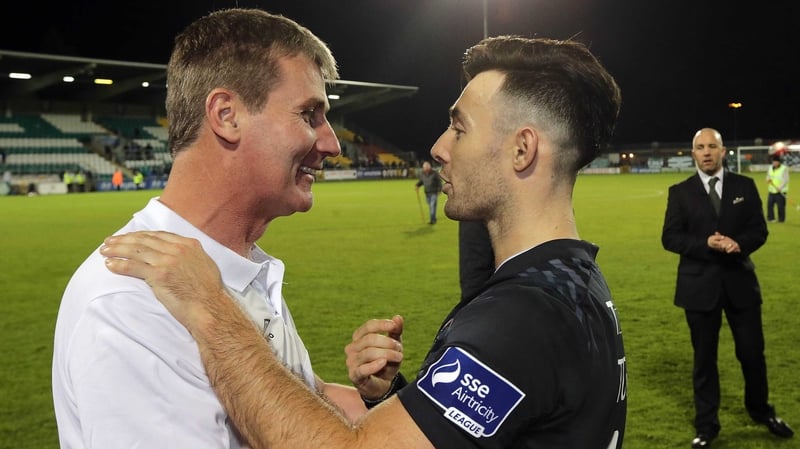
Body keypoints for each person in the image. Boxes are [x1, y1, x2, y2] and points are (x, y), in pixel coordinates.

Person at [101, 35, 628, 448]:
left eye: (460, 128)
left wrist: (212, 309)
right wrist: (394, 399)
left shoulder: (523, 317)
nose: (439, 147)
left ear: (522, 149)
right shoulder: (570, 283)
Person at [52, 8, 366, 449]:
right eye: (309, 115)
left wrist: (386, 398)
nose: (332, 144)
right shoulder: (129, 302)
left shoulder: (234, 267)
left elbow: (308, 401)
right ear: (227, 115)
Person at [661, 127, 794, 448]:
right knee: (704, 361)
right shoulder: (680, 192)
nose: (706, 152)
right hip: (698, 288)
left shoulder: (744, 186)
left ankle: (761, 412)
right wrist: (704, 243)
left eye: (712, 146)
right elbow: (670, 238)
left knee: (752, 355)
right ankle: (706, 426)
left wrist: (739, 244)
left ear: (723, 151)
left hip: (740, 284)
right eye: (700, 147)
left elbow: (759, 230)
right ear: (693, 153)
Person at [765, 153, 789, 223]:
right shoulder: (770, 168)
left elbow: (786, 179)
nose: (774, 163)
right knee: (769, 205)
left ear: (779, 162)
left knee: (780, 206)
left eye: (776, 162)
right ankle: (770, 218)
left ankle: (781, 219)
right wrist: (767, 179)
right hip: (771, 190)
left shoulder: (784, 169)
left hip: (780, 191)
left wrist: (780, 187)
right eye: (773, 162)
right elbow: (768, 176)